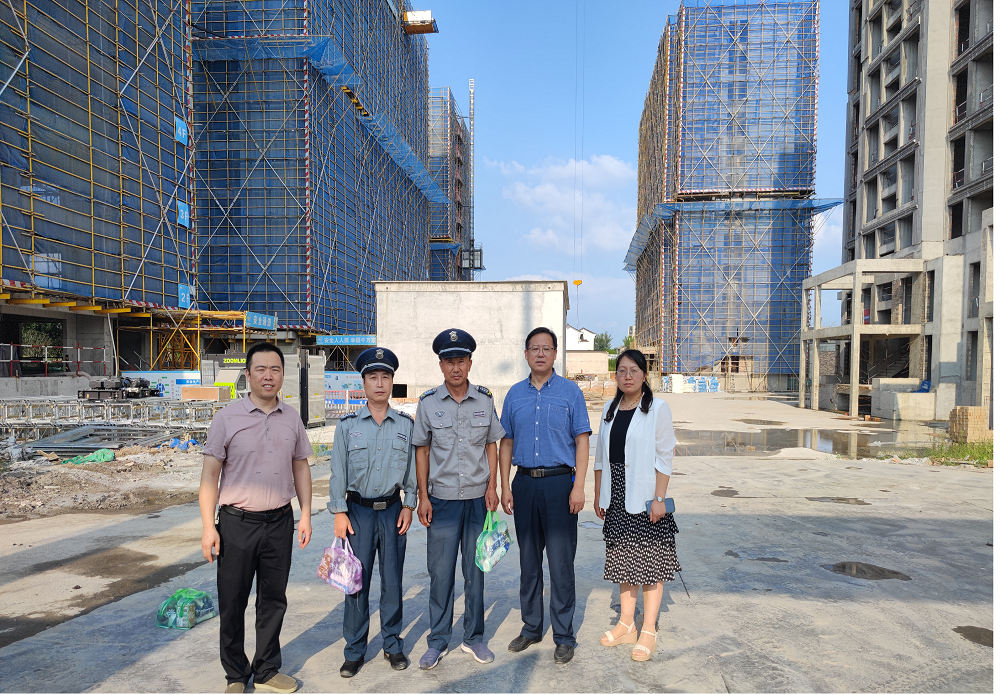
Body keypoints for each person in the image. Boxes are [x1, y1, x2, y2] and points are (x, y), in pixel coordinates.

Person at [199, 343, 314, 694]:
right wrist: (207, 527)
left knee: (273, 599)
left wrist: (305, 515)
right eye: (260, 369)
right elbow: (210, 475)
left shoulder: (292, 417)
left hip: (279, 521)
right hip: (236, 524)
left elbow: (301, 467)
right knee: (232, 600)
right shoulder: (227, 418)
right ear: (247, 375)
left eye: (275, 369)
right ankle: (235, 674)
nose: (268, 376)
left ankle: (265, 669)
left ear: (283, 375)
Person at [412, 328, 505, 670]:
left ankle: (473, 638)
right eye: (449, 361)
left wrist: (493, 487)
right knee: (440, 574)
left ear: (470, 363)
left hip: (478, 500)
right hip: (442, 501)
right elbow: (422, 451)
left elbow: (492, 444)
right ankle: (438, 640)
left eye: (461, 361)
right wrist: (423, 496)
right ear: (441, 365)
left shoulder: (484, 400)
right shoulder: (428, 403)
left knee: (475, 570)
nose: (456, 367)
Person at [499, 327, 591, 664]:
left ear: (555, 354)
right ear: (526, 354)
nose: (540, 354)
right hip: (524, 484)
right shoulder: (514, 395)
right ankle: (531, 627)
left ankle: (564, 635)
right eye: (534, 348)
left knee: (561, 562)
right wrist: (505, 485)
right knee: (528, 560)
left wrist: (579, 486)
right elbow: (506, 442)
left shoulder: (570, 393)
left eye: (546, 348)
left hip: (559, 485)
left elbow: (582, 440)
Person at [328, 347, 417, 678]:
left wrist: (409, 504)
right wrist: (339, 512)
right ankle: (354, 650)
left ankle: (392, 644)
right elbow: (337, 472)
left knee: (392, 581)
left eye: (385, 377)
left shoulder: (406, 426)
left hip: (393, 510)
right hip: (357, 513)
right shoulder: (347, 426)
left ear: (392, 382)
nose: (379, 383)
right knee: (355, 583)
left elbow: (412, 471)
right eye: (372, 377)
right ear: (363, 383)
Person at [592, 349, 679, 662]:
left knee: (649, 563)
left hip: (645, 497)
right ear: (616, 375)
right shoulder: (610, 408)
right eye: (622, 371)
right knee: (623, 562)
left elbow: (665, 456)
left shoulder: (657, 408)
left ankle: (649, 629)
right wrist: (599, 494)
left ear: (644, 374)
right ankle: (627, 623)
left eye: (633, 370)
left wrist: (659, 498)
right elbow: (600, 458)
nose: (627, 376)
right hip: (615, 495)